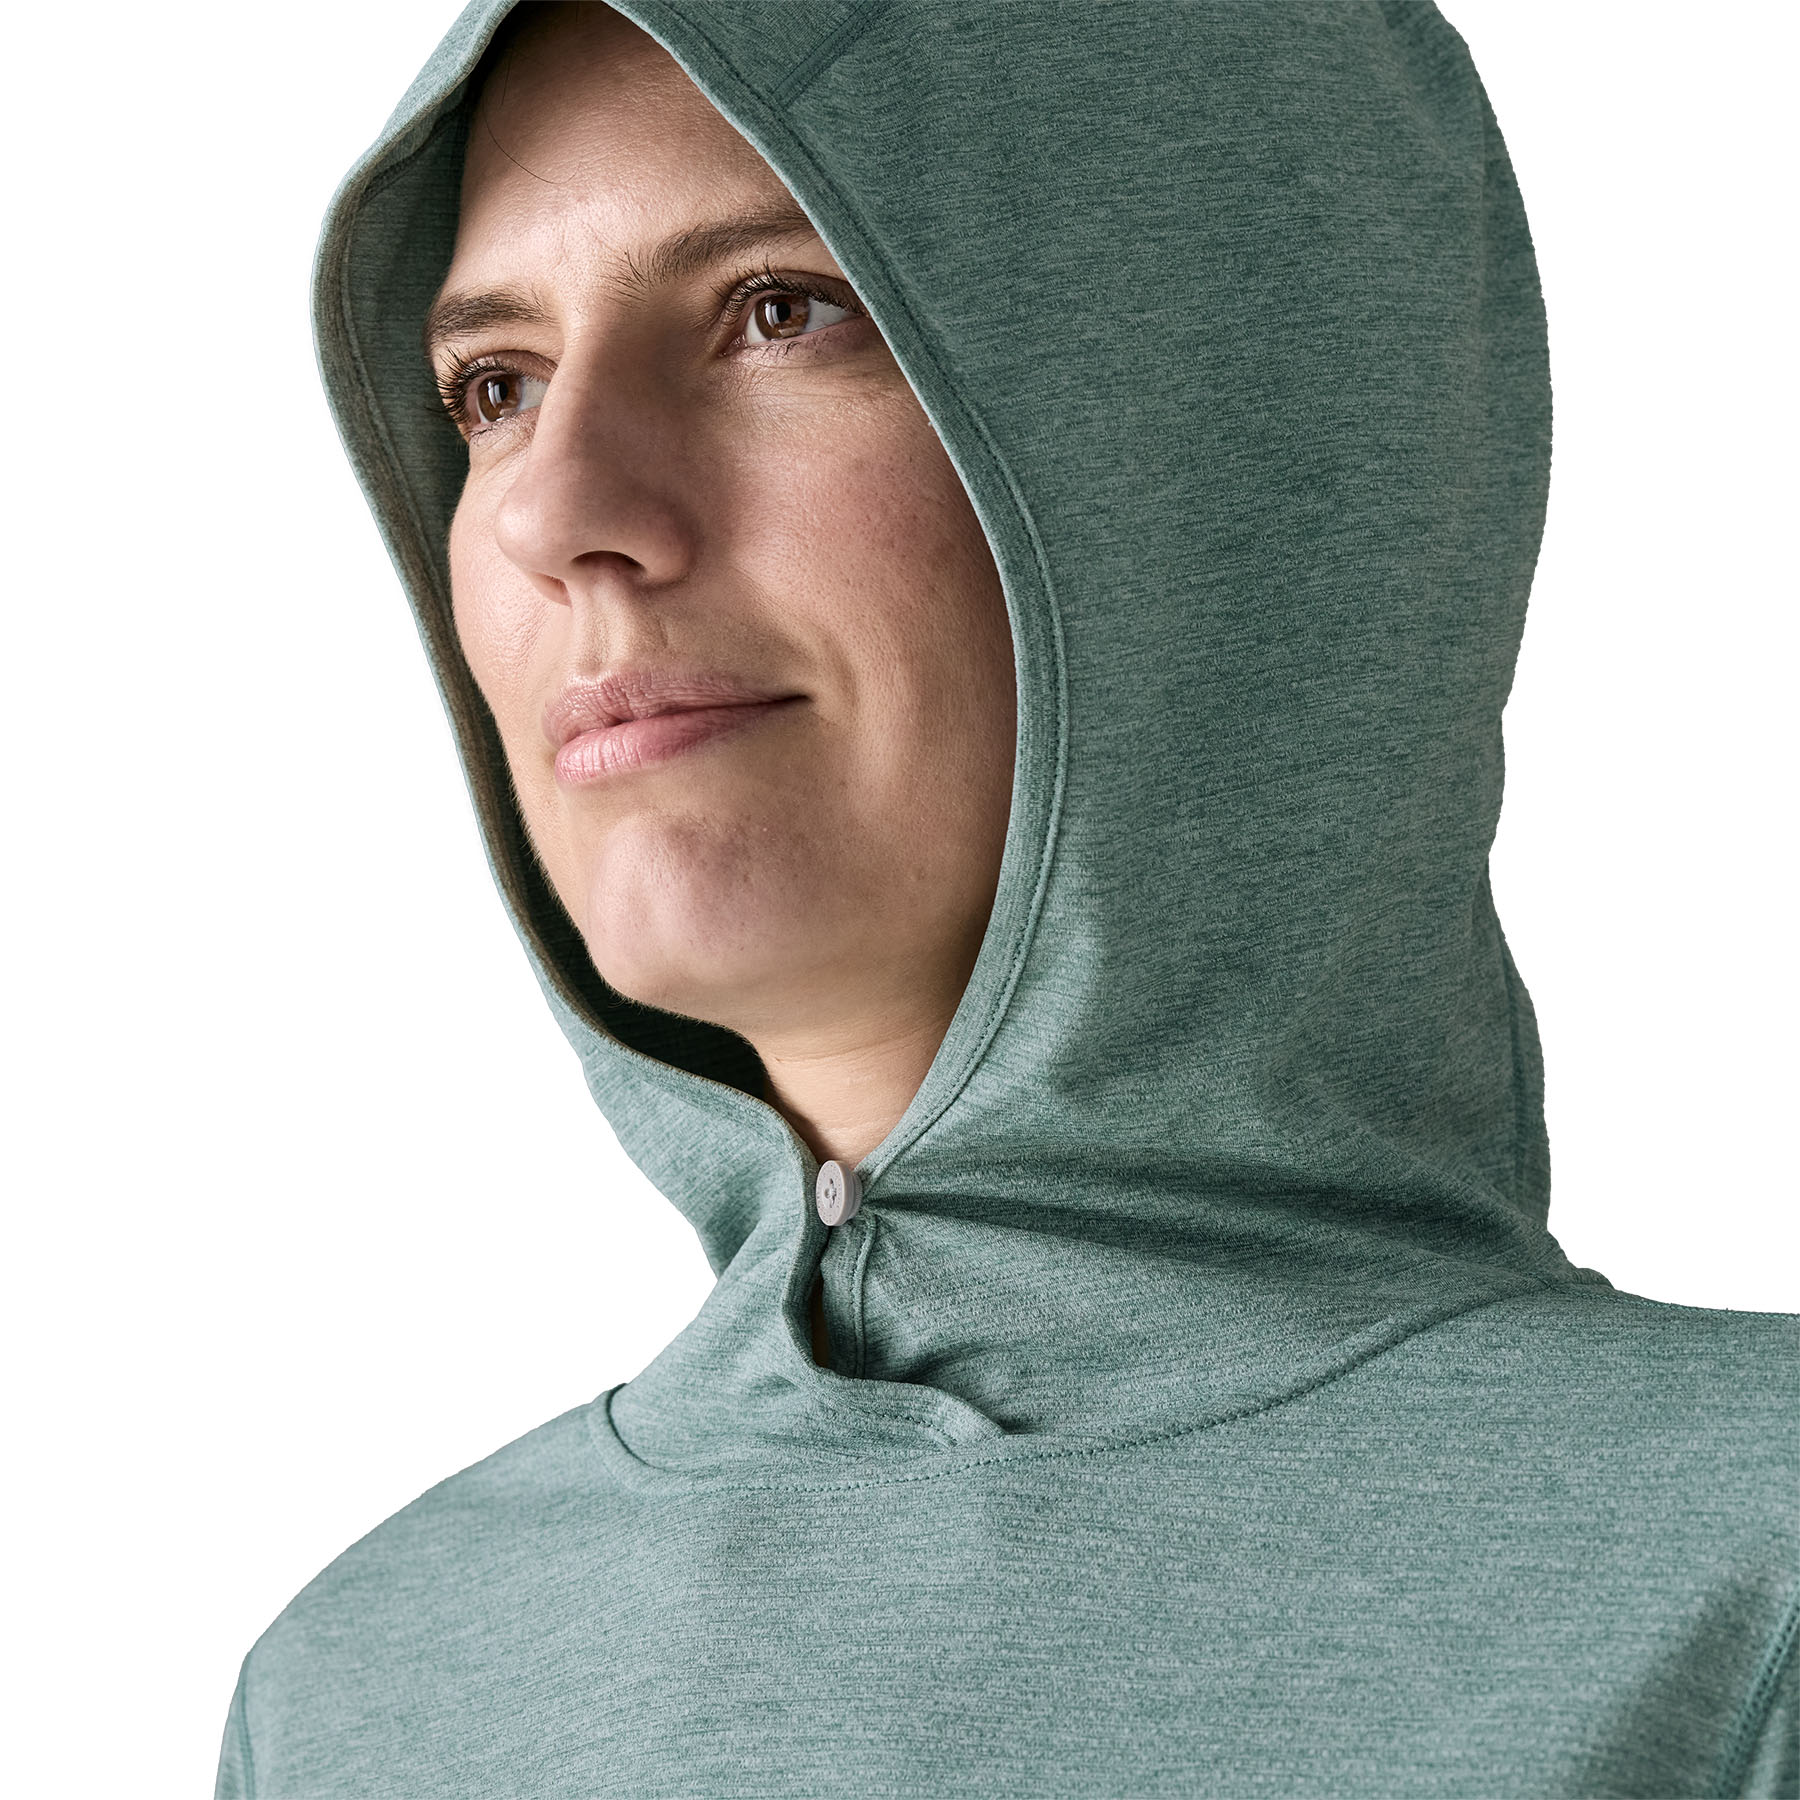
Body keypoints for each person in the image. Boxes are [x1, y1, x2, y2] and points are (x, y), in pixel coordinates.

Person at [217, 2, 1799, 1793]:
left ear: (1230, 438)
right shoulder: (361, 1695)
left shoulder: (1749, 1588)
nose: (551, 511)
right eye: (495, 389)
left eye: (781, 309)